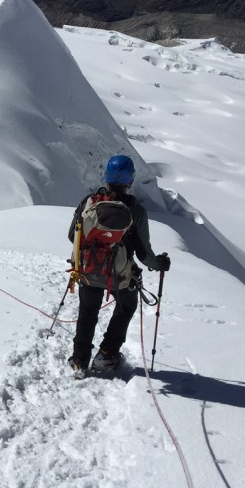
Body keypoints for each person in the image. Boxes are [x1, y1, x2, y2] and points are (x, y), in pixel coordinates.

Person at [67, 155, 170, 373]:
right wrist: (160, 264)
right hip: (121, 276)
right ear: (130, 181)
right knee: (126, 307)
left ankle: (79, 360)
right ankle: (107, 354)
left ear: (106, 177)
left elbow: (72, 236)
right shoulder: (136, 212)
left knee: (87, 312)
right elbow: (143, 254)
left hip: (89, 270)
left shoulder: (89, 202)